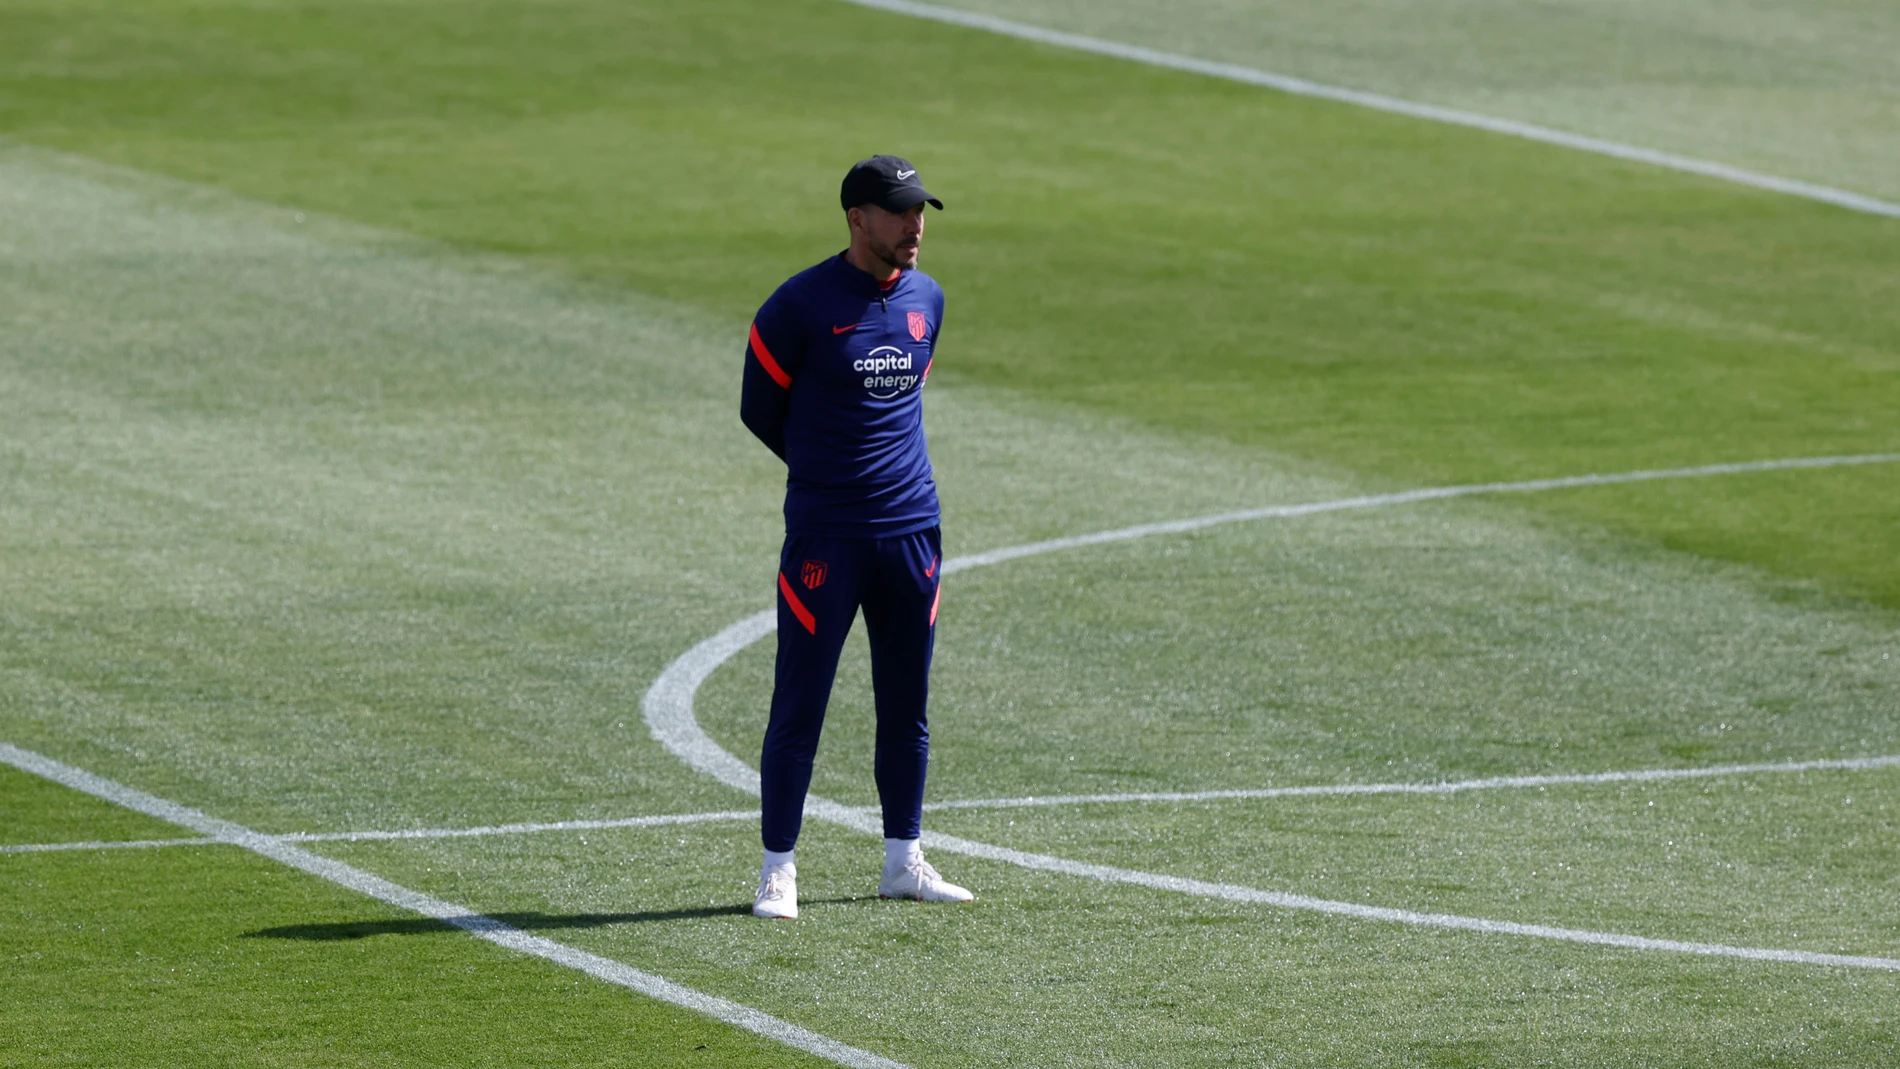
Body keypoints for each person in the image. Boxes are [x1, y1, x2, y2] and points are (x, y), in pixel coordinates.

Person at [738, 155, 974, 920]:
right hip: (826, 538)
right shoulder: (798, 306)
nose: (916, 226)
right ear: (857, 219)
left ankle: (903, 860)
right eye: (900, 211)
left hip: (912, 532)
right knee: (799, 702)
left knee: (907, 703)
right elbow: (760, 408)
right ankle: (779, 869)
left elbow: (906, 399)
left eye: (921, 211)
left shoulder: (928, 300)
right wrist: (828, 475)